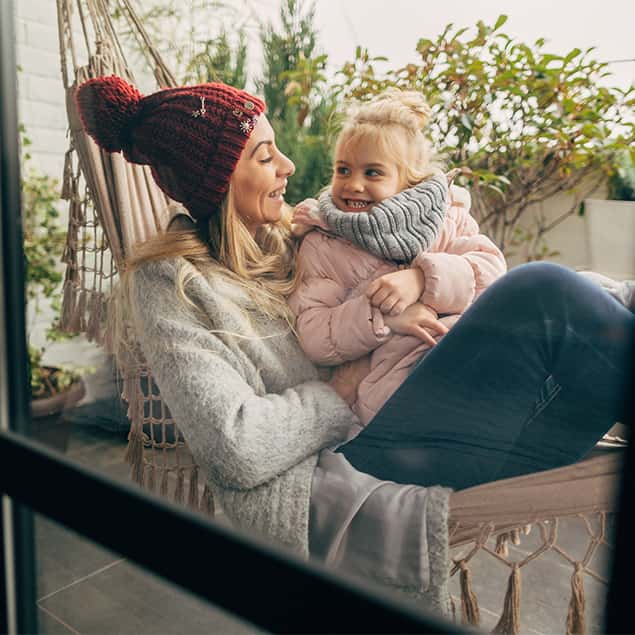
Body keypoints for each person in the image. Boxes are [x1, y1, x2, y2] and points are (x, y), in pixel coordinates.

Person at [74, 76, 634, 616]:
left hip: (414, 417)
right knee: (541, 289)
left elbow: (443, 267)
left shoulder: (287, 237)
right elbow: (234, 446)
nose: (289, 166)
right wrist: (342, 387)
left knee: (569, 302)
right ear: (217, 179)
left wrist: (419, 288)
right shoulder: (173, 283)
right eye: (266, 156)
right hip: (346, 464)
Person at [288, 91, 507, 427]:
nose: (353, 184)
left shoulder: (445, 219)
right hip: (393, 395)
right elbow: (314, 334)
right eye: (342, 170)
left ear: (409, 181)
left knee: (548, 295)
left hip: (468, 359)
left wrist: (420, 279)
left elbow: (490, 271)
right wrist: (386, 317)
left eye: (372, 173)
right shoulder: (324, 243)